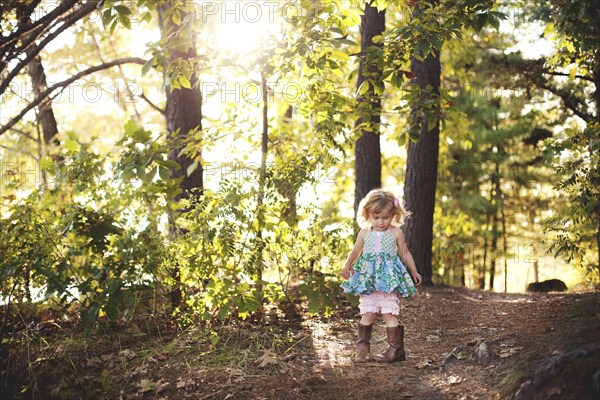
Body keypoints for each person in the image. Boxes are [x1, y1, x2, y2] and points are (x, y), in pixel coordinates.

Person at [341, 188, 422, 363]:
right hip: (369, 281)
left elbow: (405, 253)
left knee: (388, 314)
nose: (381, 222)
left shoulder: (395, 233)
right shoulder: (364, 233)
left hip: (388, 282)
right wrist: (348, 265)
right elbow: (355, 251)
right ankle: (362, 349)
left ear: (393, 214)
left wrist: (413, 271)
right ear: (367, 214)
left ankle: (396, 350)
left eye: (386, 217)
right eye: (376, 217)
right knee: (368, 312)